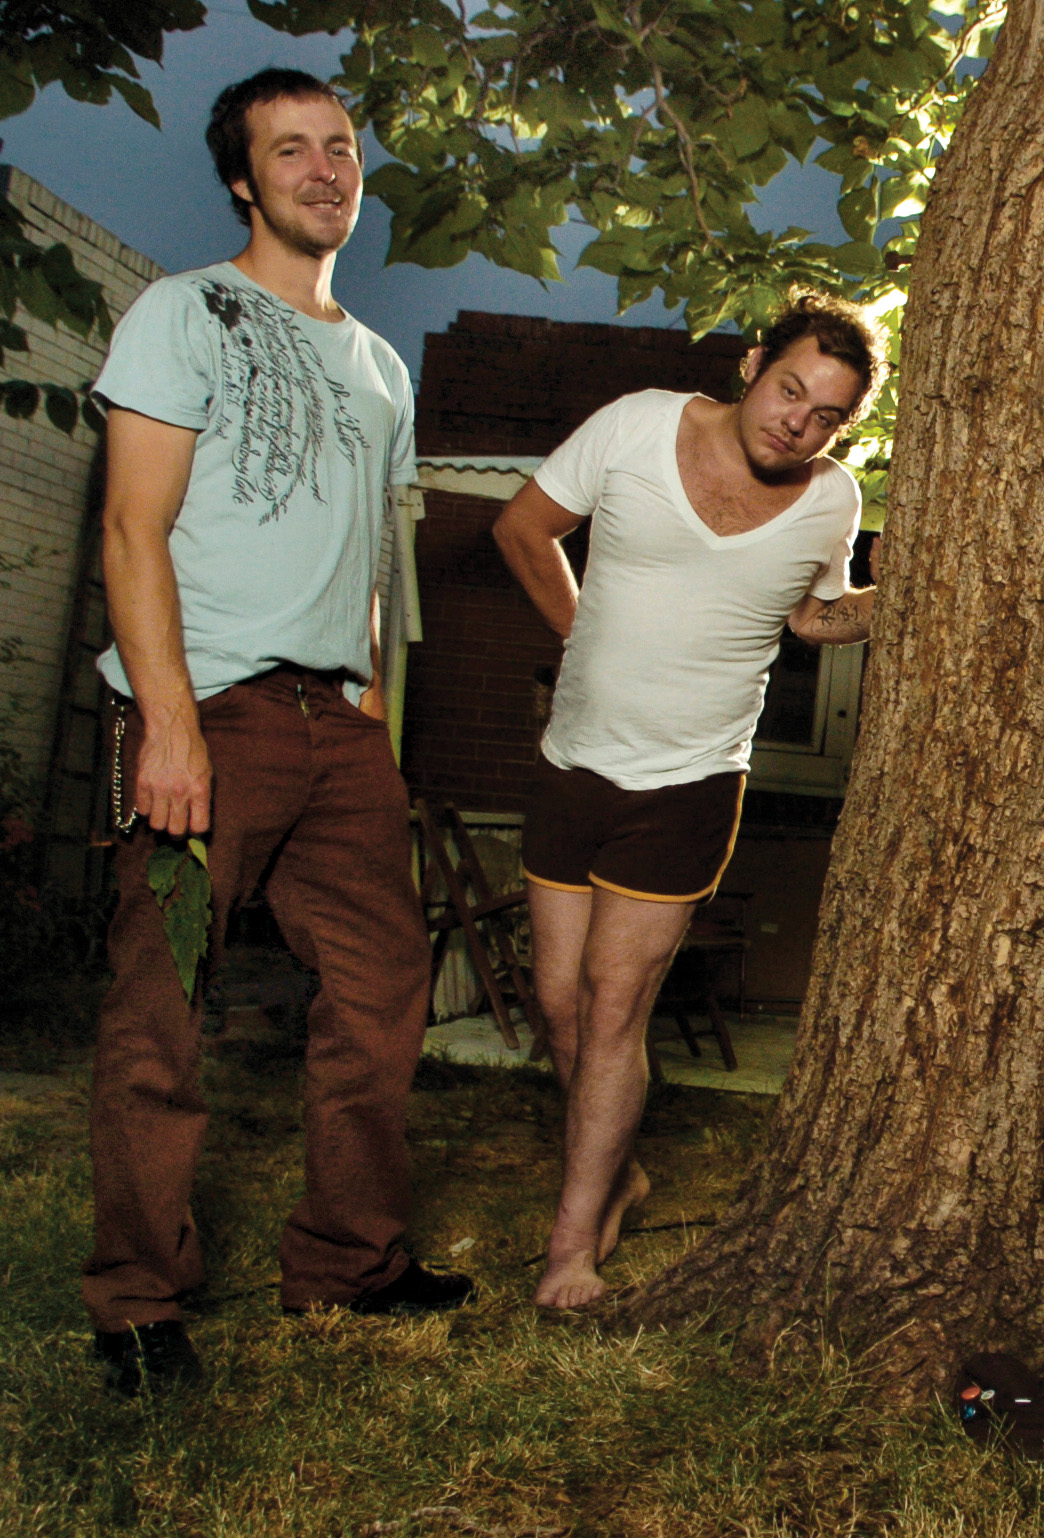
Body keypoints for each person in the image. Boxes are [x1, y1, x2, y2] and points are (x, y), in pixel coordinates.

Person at [86, 69, 473, 1396]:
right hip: (212, 709)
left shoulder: (377, 364)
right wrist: (170, 725)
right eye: (290, 150)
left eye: (342, 147)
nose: (323, 169)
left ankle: (349, 1263)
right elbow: (132, 527)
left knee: (380, 996)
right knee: (162, 1010)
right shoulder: (181, 310)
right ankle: (136, 1300)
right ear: (244, 181)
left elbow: (372, 559)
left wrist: (370, 703)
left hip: (335, 723)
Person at [494, 293, 884, 1309]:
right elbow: (524, 529)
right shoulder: (634, 424)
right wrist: (581, 638)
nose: (795, 422)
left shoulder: (832, 499)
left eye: (824, 415)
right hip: (572, 763)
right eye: (788, 389)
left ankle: (570, 1249)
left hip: (690, 781)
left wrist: (903, 597)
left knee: (616, 1009)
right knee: (559, 1003)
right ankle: (616, 1165)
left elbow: (809, 615)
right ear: (753, 363)